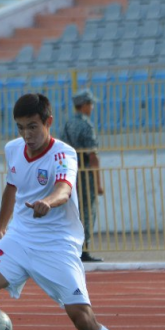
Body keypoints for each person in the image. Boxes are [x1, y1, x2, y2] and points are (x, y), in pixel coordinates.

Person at [0, 92, 129, 330]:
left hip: (57, 243)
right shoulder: (13, 149)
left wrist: (47, 202)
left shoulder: (63, 154)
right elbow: (11, 187)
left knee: (82, 318)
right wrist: (0, 228)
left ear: (48, 122)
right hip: (19, 236)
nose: (26, 135)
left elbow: (64, 190)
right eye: (20, 127)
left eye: (32, 127)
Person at [61, 89, 104, 262]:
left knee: (72, 211)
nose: (92, 107)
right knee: (88, 211)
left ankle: (71, 247)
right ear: (85, 105)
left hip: (70, 173)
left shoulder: (68, 123)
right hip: (84, 174)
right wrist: (98, 184)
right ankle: (83, 249)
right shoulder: (87, 125)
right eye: (91, 104)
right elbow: (92, 156)